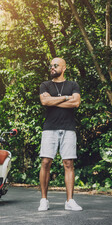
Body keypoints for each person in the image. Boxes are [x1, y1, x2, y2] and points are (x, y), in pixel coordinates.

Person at [38, 57, 82, 211]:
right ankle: (44, 200)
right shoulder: (45, 85)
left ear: (64, 68)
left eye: (55, 65)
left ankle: (70, 201)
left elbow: (76, 102)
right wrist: (65, 98)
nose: (52, 68)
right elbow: (45, 102)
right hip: (49, 128)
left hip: (68, 128)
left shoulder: (72, 84)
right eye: (50, 65)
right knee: (45, 162)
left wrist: (53, 100)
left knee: (69, 164)